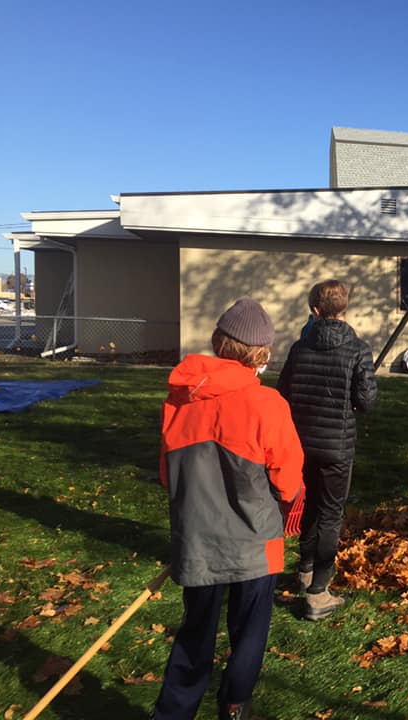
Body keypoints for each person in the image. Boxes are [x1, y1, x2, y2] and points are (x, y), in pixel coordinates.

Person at [153, 297, 304, 720]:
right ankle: (235, 706)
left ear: (220, 342)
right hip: (254, 546)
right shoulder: (268, 404)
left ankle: (173, 713)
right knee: (249, 632)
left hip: (197, 540)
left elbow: (169, 476)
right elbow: (288, 481)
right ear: (261, 354)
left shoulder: (179, 400)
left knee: (195, 632)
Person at [277, 280, 377, 621]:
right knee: (330, 514)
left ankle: (304, 570)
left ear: (315, 311)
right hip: (336, 447)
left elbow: (283, 393)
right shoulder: (358, 350)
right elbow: (365, 403)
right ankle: (318, 589)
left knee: (308, 507)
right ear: (344, 308)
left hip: (301, 444)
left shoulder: (298, 349)